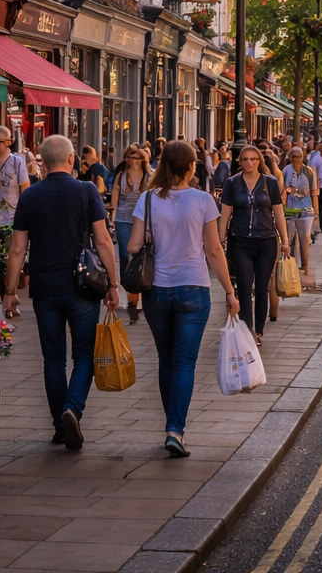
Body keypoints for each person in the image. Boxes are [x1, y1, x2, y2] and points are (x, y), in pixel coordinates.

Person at [6, 135, 118, 451]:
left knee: (52, 360)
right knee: (84, 355)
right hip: (83, 287)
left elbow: (17, 248)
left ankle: (59, 424)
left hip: (44, 288)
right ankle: (73, 408)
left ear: (42, 161)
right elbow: (104, 241)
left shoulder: (29, 197)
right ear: (71, 160)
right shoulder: (87, 191)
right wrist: (113, 283)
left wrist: (10, 290)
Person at [128, 140, 238, 457]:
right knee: (185, 363)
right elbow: (214, 250)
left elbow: (133, 246)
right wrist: (230, 292)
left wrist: (149, 237)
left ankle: (171, 426)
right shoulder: (203, 200)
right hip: (193, 289)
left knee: (167, 360)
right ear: (191, 167)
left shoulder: (147, 200)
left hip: (157, 291)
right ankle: (175, 429)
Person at [220, 144, 288, 344]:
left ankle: (258, 330)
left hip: (266, 241)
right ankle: (247, 331)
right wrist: (221, 237)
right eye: (245, 159)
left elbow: (278, 212)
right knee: (243, 287)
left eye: (253, 159)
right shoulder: (232, 183)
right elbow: (225, 213)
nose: (249, 163)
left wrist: (284, 240)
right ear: (240, 162)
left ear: (260, 161)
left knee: (261, 287)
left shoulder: (270, 183)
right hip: (240, 241)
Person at [111, 145, 151, 324]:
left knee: (142, 257)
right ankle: (131, 296)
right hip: (123, 219)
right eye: (130, 157)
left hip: (142, 220)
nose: (133, 161)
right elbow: (115, 196)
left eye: (137, 158)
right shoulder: (121, 176)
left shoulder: (149, 176)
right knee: (125, 256)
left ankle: (141, 292)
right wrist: (112, 216)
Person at [282, 148, 318, 284]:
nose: (297, 159)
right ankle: (289, 265)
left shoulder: (309, 172)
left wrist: (316, 213)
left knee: (305, 240)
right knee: (289, 239)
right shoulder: (286, 171)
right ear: (291, 157)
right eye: (294, 156)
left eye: (299, 156)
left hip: (306, 211)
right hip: (290, 210)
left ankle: (305, 267)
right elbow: (283, 192)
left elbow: (314, 193)